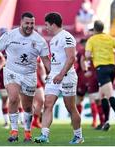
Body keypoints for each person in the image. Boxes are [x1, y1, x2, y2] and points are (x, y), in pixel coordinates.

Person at [0, 12, 51, 142]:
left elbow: (46, 59)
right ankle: (14, 131)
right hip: (12, 72)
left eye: (32, 23)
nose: (30, 26)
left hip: (29, 74)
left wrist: (51, 73)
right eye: (27, 23)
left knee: (28, 106)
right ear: (21, 23)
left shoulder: (39, 40)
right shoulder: (9, 35)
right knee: (13, 98)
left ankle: (28, 133)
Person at [34, 12, 84, 144]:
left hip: (66, 77)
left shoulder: (67, 37)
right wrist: (49, 72)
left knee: (70, 107)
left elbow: (71, 58)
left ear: (53, 24)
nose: (46, 28)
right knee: (48, 103)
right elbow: (54, 60)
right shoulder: (53, 39)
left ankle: (78, 136)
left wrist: (61, 74)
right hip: (54, 77)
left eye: (47, 25)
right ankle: (44, 135)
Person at [85, 20, 115, 132]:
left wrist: (93, 56)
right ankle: (106, 122)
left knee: (109, 95)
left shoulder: (91, 40)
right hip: (112, 69)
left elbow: (87, 55)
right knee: (101, 96)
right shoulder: (110, 38)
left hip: (101, 69)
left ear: (94, 29)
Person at [75, 38, 105, 129]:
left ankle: (95, 121)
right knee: (78, 99)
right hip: (81, 79)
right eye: (82, 43)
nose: (84, 45)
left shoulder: (92, 52)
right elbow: (80, 61)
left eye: (85, 43)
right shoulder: (81, 52)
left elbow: (82, 61)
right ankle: (77, 120)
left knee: (94, 99)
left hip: (91, 78)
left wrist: (86, 71)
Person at [0, 28, 9, 129]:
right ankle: (6, 122)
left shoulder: (14, 45)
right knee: (4, 99)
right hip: (2, 76)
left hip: (14, 75)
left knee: (17, 99)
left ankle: (22, 120)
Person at [31, 57, 46, 128]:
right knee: (30, 103)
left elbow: (41, 66)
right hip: (25, 80)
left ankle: (35, 121)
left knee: (41, 100)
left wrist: (44, 78)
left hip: (36, 80)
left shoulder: (37, 55)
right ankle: (29, 121)